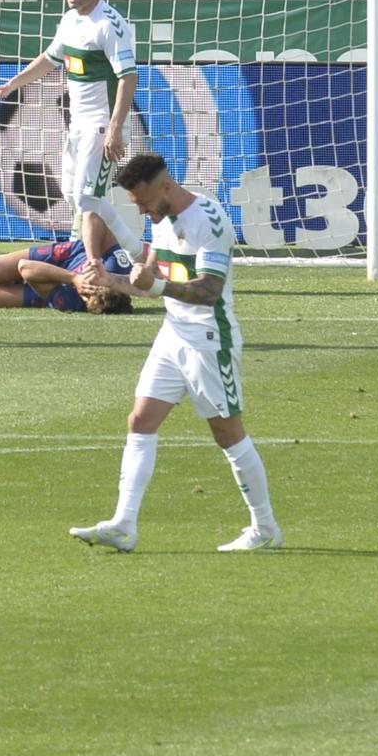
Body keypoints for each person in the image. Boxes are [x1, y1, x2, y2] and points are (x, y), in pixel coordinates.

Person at [70, 152, 282, 553]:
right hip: (173, 334)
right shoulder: (162, 220)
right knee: (140, 420)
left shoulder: (209, 221)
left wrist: (155, 287)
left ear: (165, 186)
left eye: (144, 201)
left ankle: (266, 527)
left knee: (228, 435)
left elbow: (208, 291)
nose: (142, 210)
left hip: (208, 339)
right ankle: (124, 524)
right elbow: (147, 278)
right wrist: (109, 279)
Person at [0, 0, 144, 256]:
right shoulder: (71, 20)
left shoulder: (108, 25)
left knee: (87, 198)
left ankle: (132, 253)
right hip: (77, 125)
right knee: (72, 195)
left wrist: (115, 128)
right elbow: (49, 59)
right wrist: (10, 85)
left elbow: (128, 77)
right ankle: (81, 251)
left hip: (102, 124)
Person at [0, 213, 135, 315]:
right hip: (66, 257)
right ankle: (11, 278)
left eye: (87, 295)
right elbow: (91, 216)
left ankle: (21, 285)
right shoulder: (117, 267)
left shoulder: (71, 301)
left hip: (46, 284)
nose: (88, 288)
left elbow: (25, 267)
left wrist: (74, 278)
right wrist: (93, 260)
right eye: (94, 286)